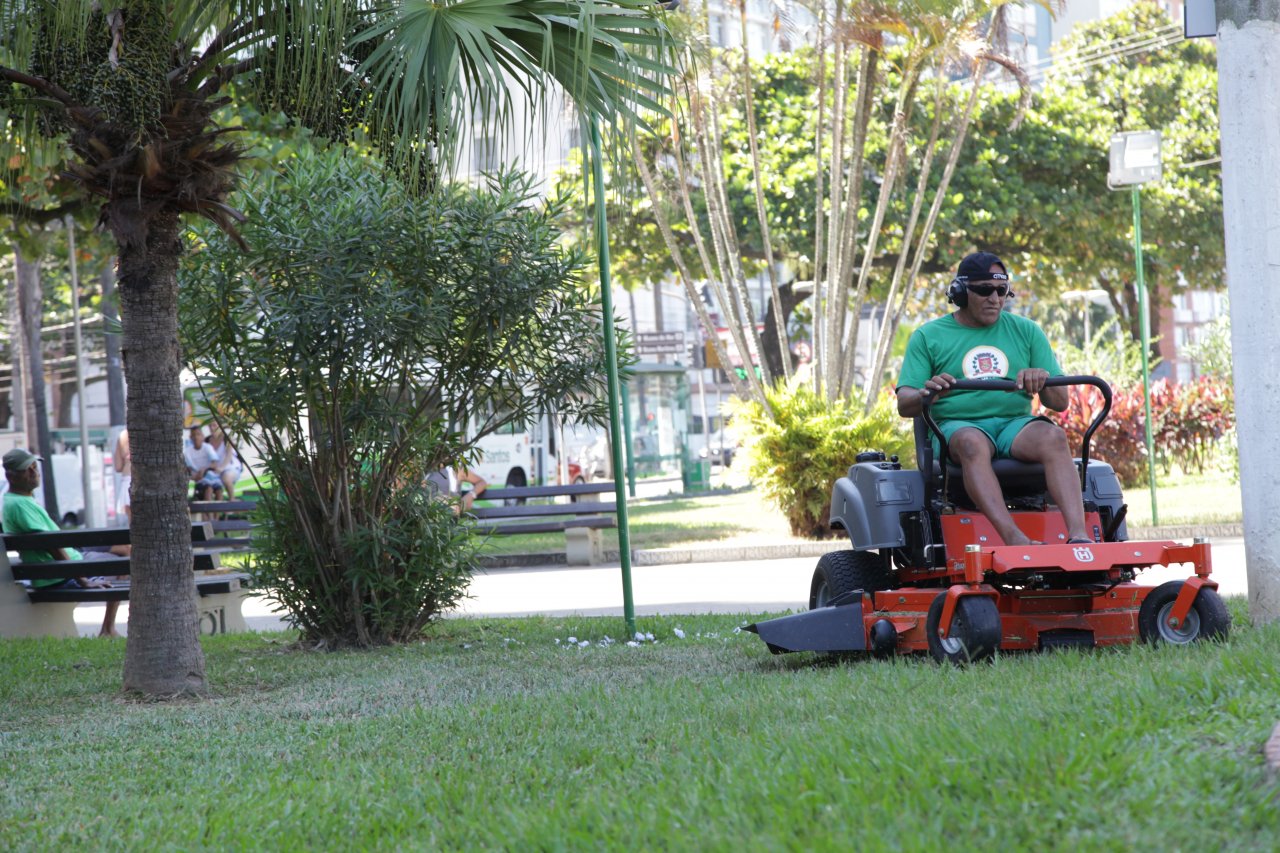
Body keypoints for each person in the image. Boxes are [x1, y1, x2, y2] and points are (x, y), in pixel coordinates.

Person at [895, 251, 1090, 547]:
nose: (994, 299)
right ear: (960, 293)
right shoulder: (928, 336)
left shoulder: (1026, 331)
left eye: (1002, 291)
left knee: (1054, 437)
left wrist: (1041, 380)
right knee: (973, 443)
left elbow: (1059, 402)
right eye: (984, 290)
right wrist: (929, 393)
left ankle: (1079, 537)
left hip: (1015, 425)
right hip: (958, 426)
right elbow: (904, 403)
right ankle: (1014, 539)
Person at [2, 449, 123, 637]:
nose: (35, 473)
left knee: (121, 560)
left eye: (35, 467)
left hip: (61, 569)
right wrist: (82, 580)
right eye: (28, 469)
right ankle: (108, 629)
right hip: (58, 576)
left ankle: (108, 629)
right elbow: (51, 544)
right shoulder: (19, 505)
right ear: (11, 476)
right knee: (121, 567)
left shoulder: (18, 501)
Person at [183, 425, 222, 501]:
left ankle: (217, 512)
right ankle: (208, 511)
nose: (196, 437)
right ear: (190, 437)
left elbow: (214, 463)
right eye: (193, 435)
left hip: (212, 477)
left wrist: (204, 469)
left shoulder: (207, 447)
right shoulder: (187, 452)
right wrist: (194, 477)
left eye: (198, 434)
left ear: (203, 436)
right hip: (199, 479)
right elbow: (189, 469)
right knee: (209, 489)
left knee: (219, 491)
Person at [207, 423, 243, 500]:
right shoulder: (207, 440)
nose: (212, 428)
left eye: (214, 425)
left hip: (230, 466)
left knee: (226, 478)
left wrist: (221, 468)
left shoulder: (227, 438)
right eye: (210, 426)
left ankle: (232, 499)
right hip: (215, 469)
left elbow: (228, 456)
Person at [114, 427, 131, 522]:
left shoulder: (123, 435)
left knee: (132, 523)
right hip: (147, 480)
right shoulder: (150, 432)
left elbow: (118, 466)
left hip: (127, 479)